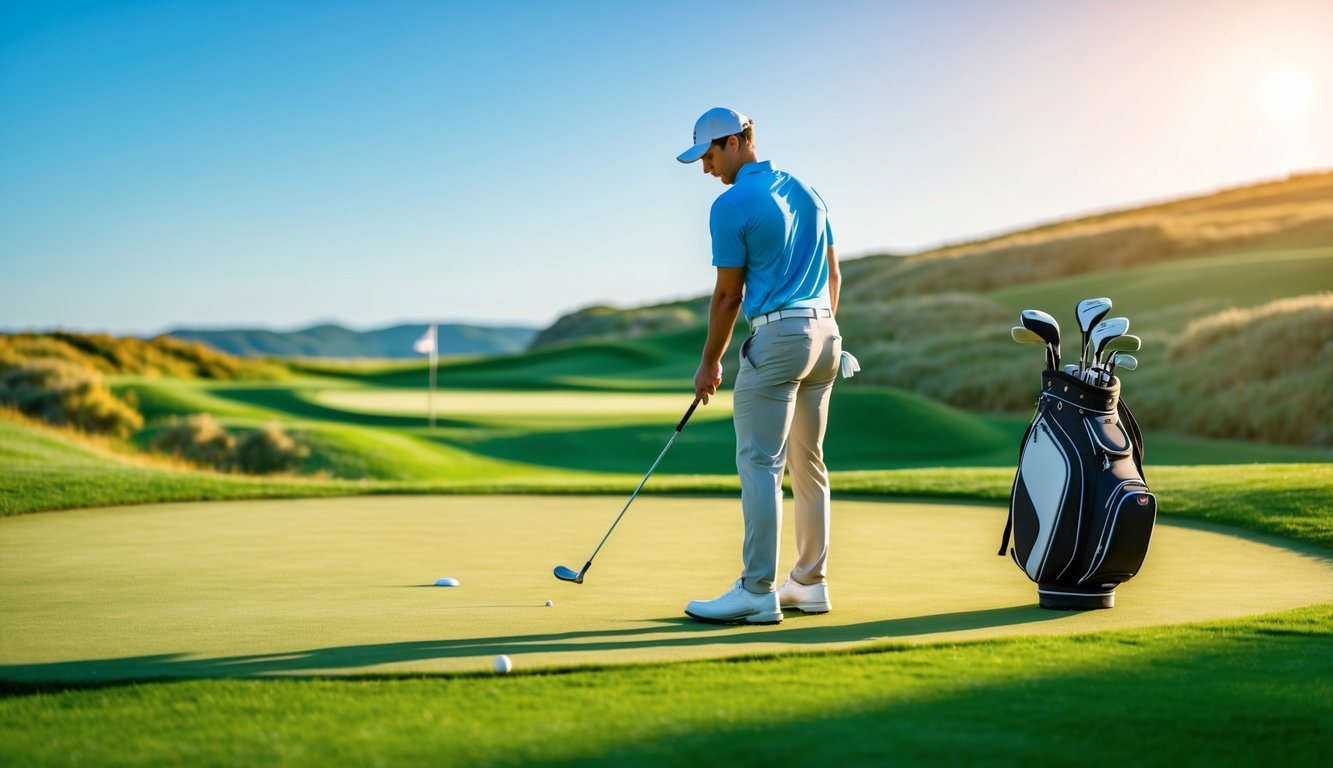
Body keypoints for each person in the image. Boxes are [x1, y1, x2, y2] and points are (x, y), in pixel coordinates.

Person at [676, 107, 845, 625]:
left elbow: (729, 296)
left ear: (734, 141)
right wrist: (819, 330)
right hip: (826, 335)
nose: (706, 168)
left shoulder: (731, 205)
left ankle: (756, 589)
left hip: (777, 337)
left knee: (761, 465)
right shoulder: (808, 191)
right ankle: (810, 584)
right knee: (808, 464)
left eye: (708, 155)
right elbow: (834, 274)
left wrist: (709, 362)